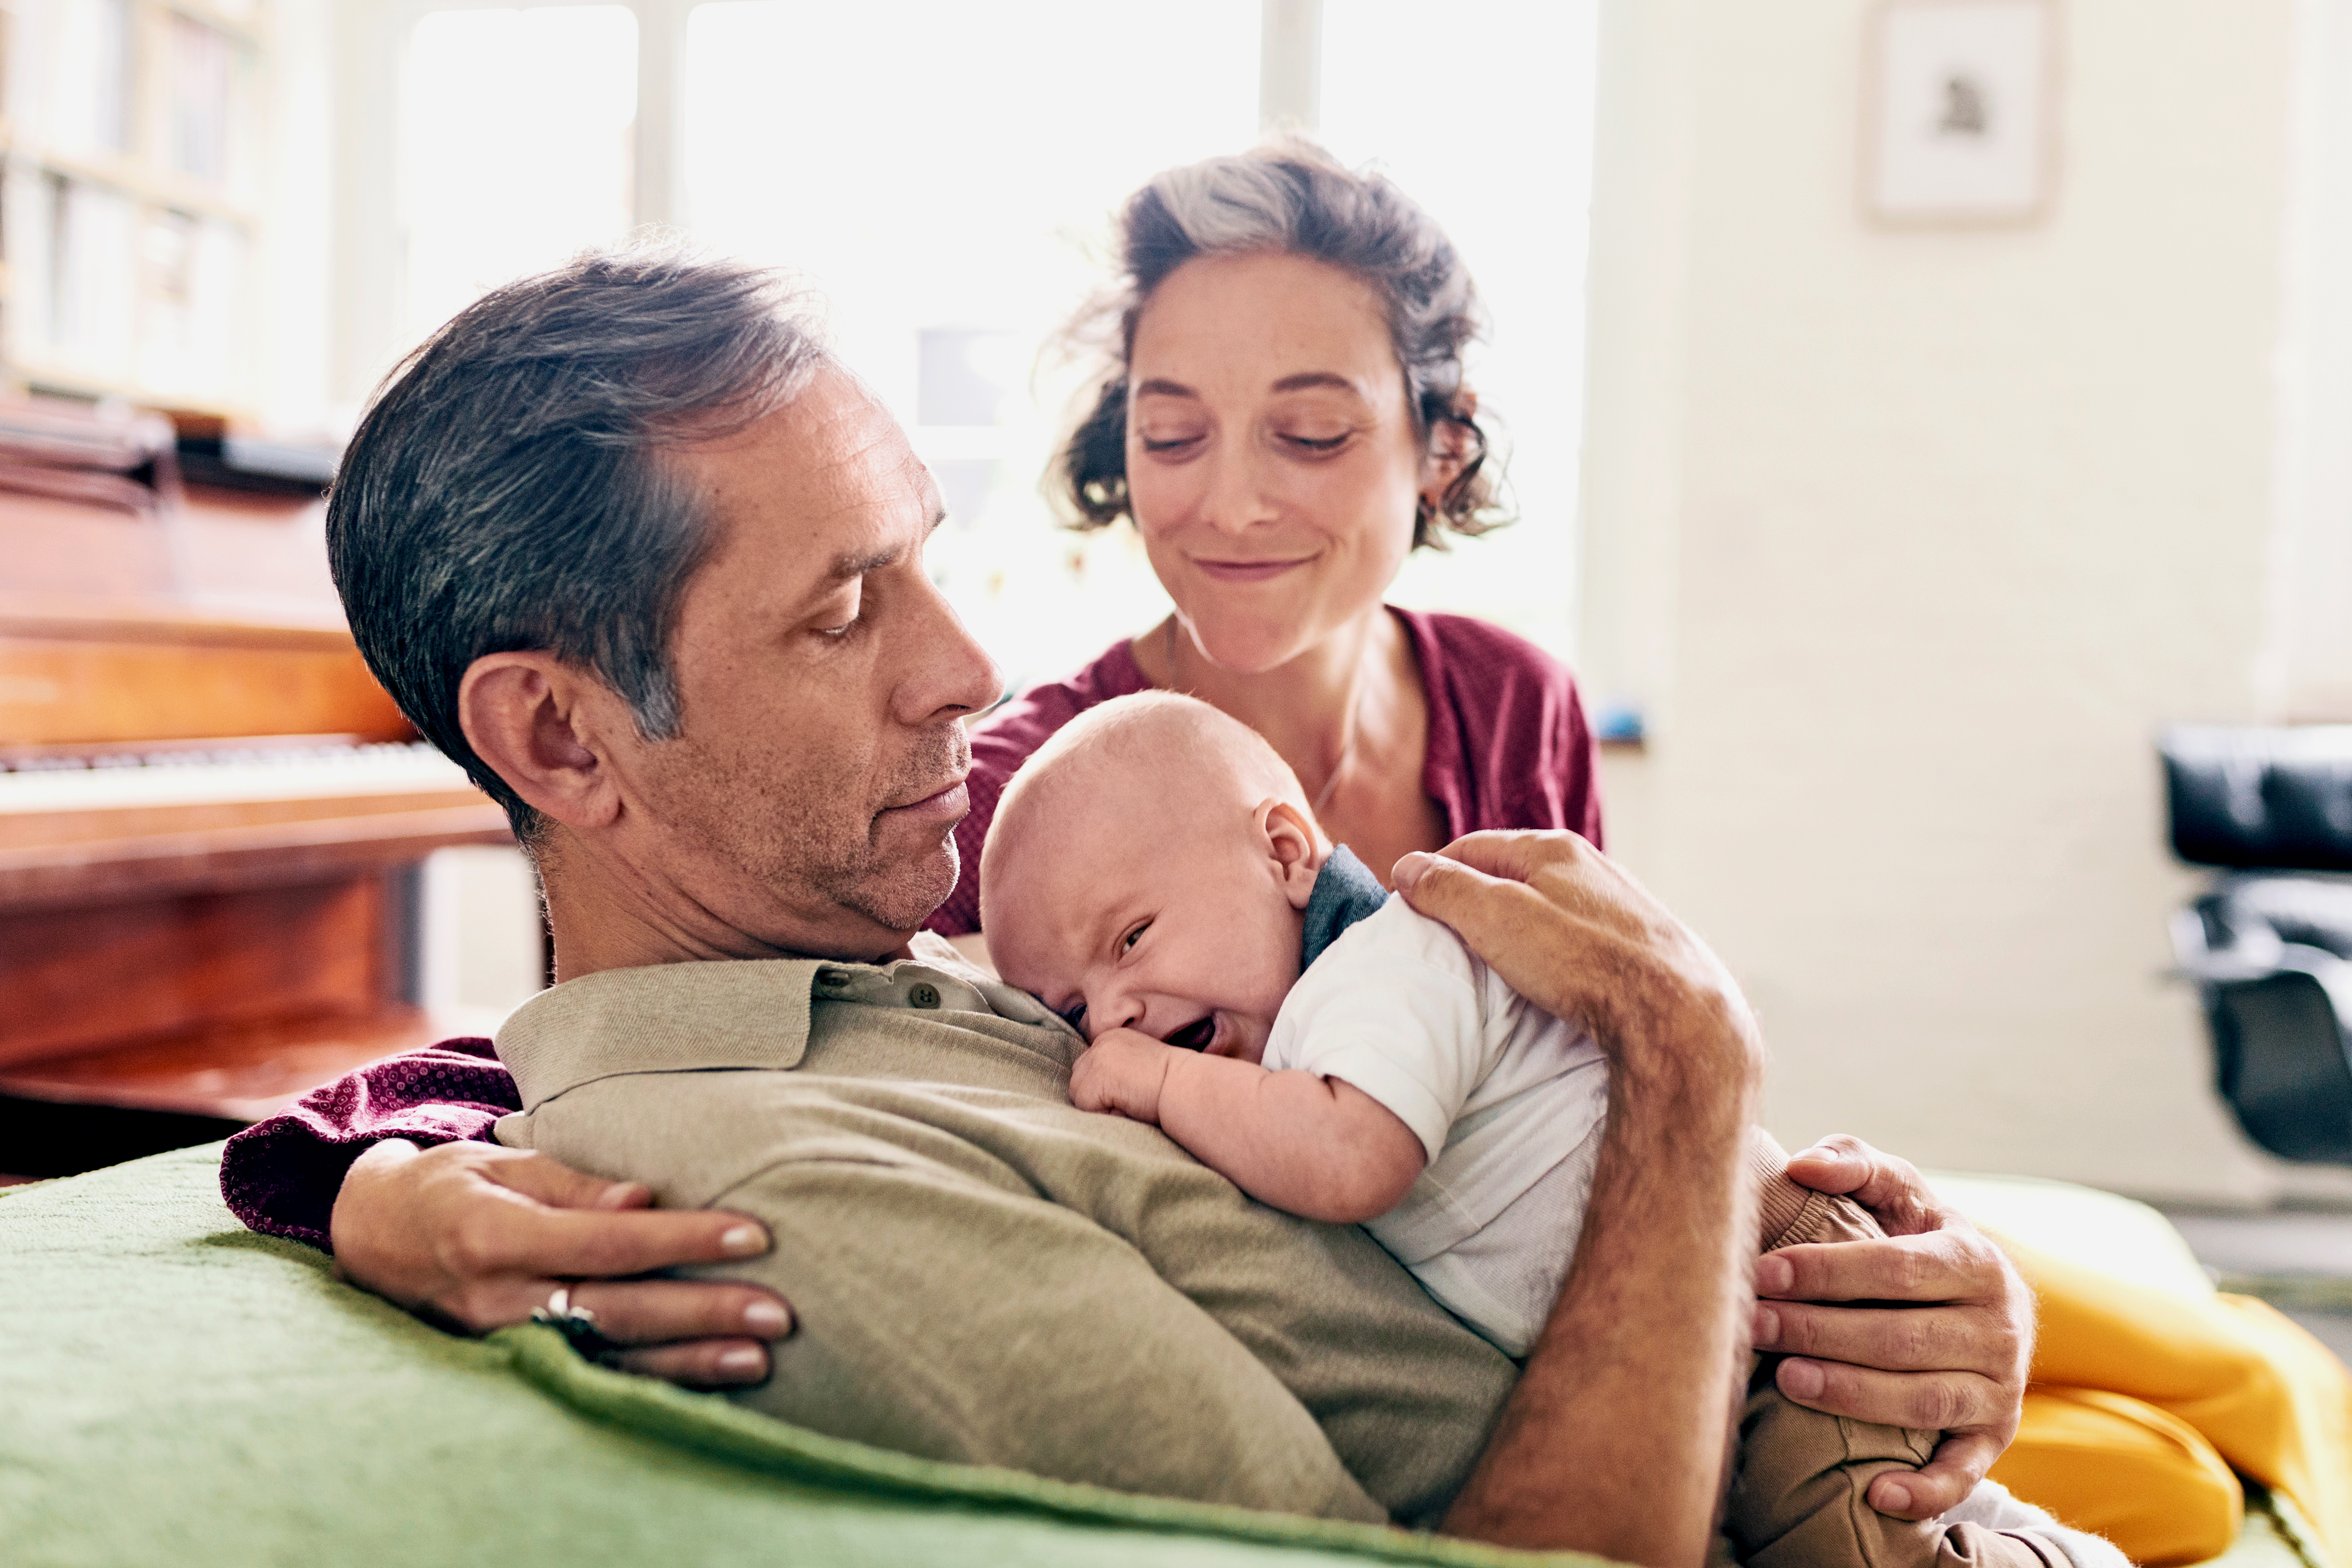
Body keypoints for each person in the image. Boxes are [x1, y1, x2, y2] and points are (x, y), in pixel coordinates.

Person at [210, 243, 2038, 1560]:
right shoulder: (779, 1200)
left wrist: (1852, 1264)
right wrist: (1693, 1067)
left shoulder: (881, 957)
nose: (970, 670)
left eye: (926, 561)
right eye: (845, 613)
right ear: (559, 732)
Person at [980, 691, 2119, 1568]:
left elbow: (1350, 1157)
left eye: (1129, 941)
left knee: (1846, 1535)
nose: (1112, 1016)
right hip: (1701, 1329)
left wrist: (1157, 1088)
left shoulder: (1388, 964)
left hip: (1780, 1300)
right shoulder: (1276, 1032)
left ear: (1283, 852)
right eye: (1073, 1012)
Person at [924, 139, 1596, 949]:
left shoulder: (1518, 711)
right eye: (1172, 437)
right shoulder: (996, 803)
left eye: (1312, 435)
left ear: (1442, 448)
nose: (1233, 508)